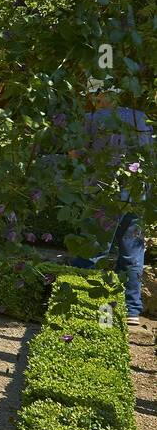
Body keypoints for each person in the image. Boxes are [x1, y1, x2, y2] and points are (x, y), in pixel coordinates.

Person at [79, 106, 152, 325]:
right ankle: (131, 310)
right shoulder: (141, 116)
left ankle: (85, 303)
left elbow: (78, 153)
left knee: (94, 250)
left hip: (103, 192)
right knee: (132, 254)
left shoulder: (93, 117)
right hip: (136, 195)